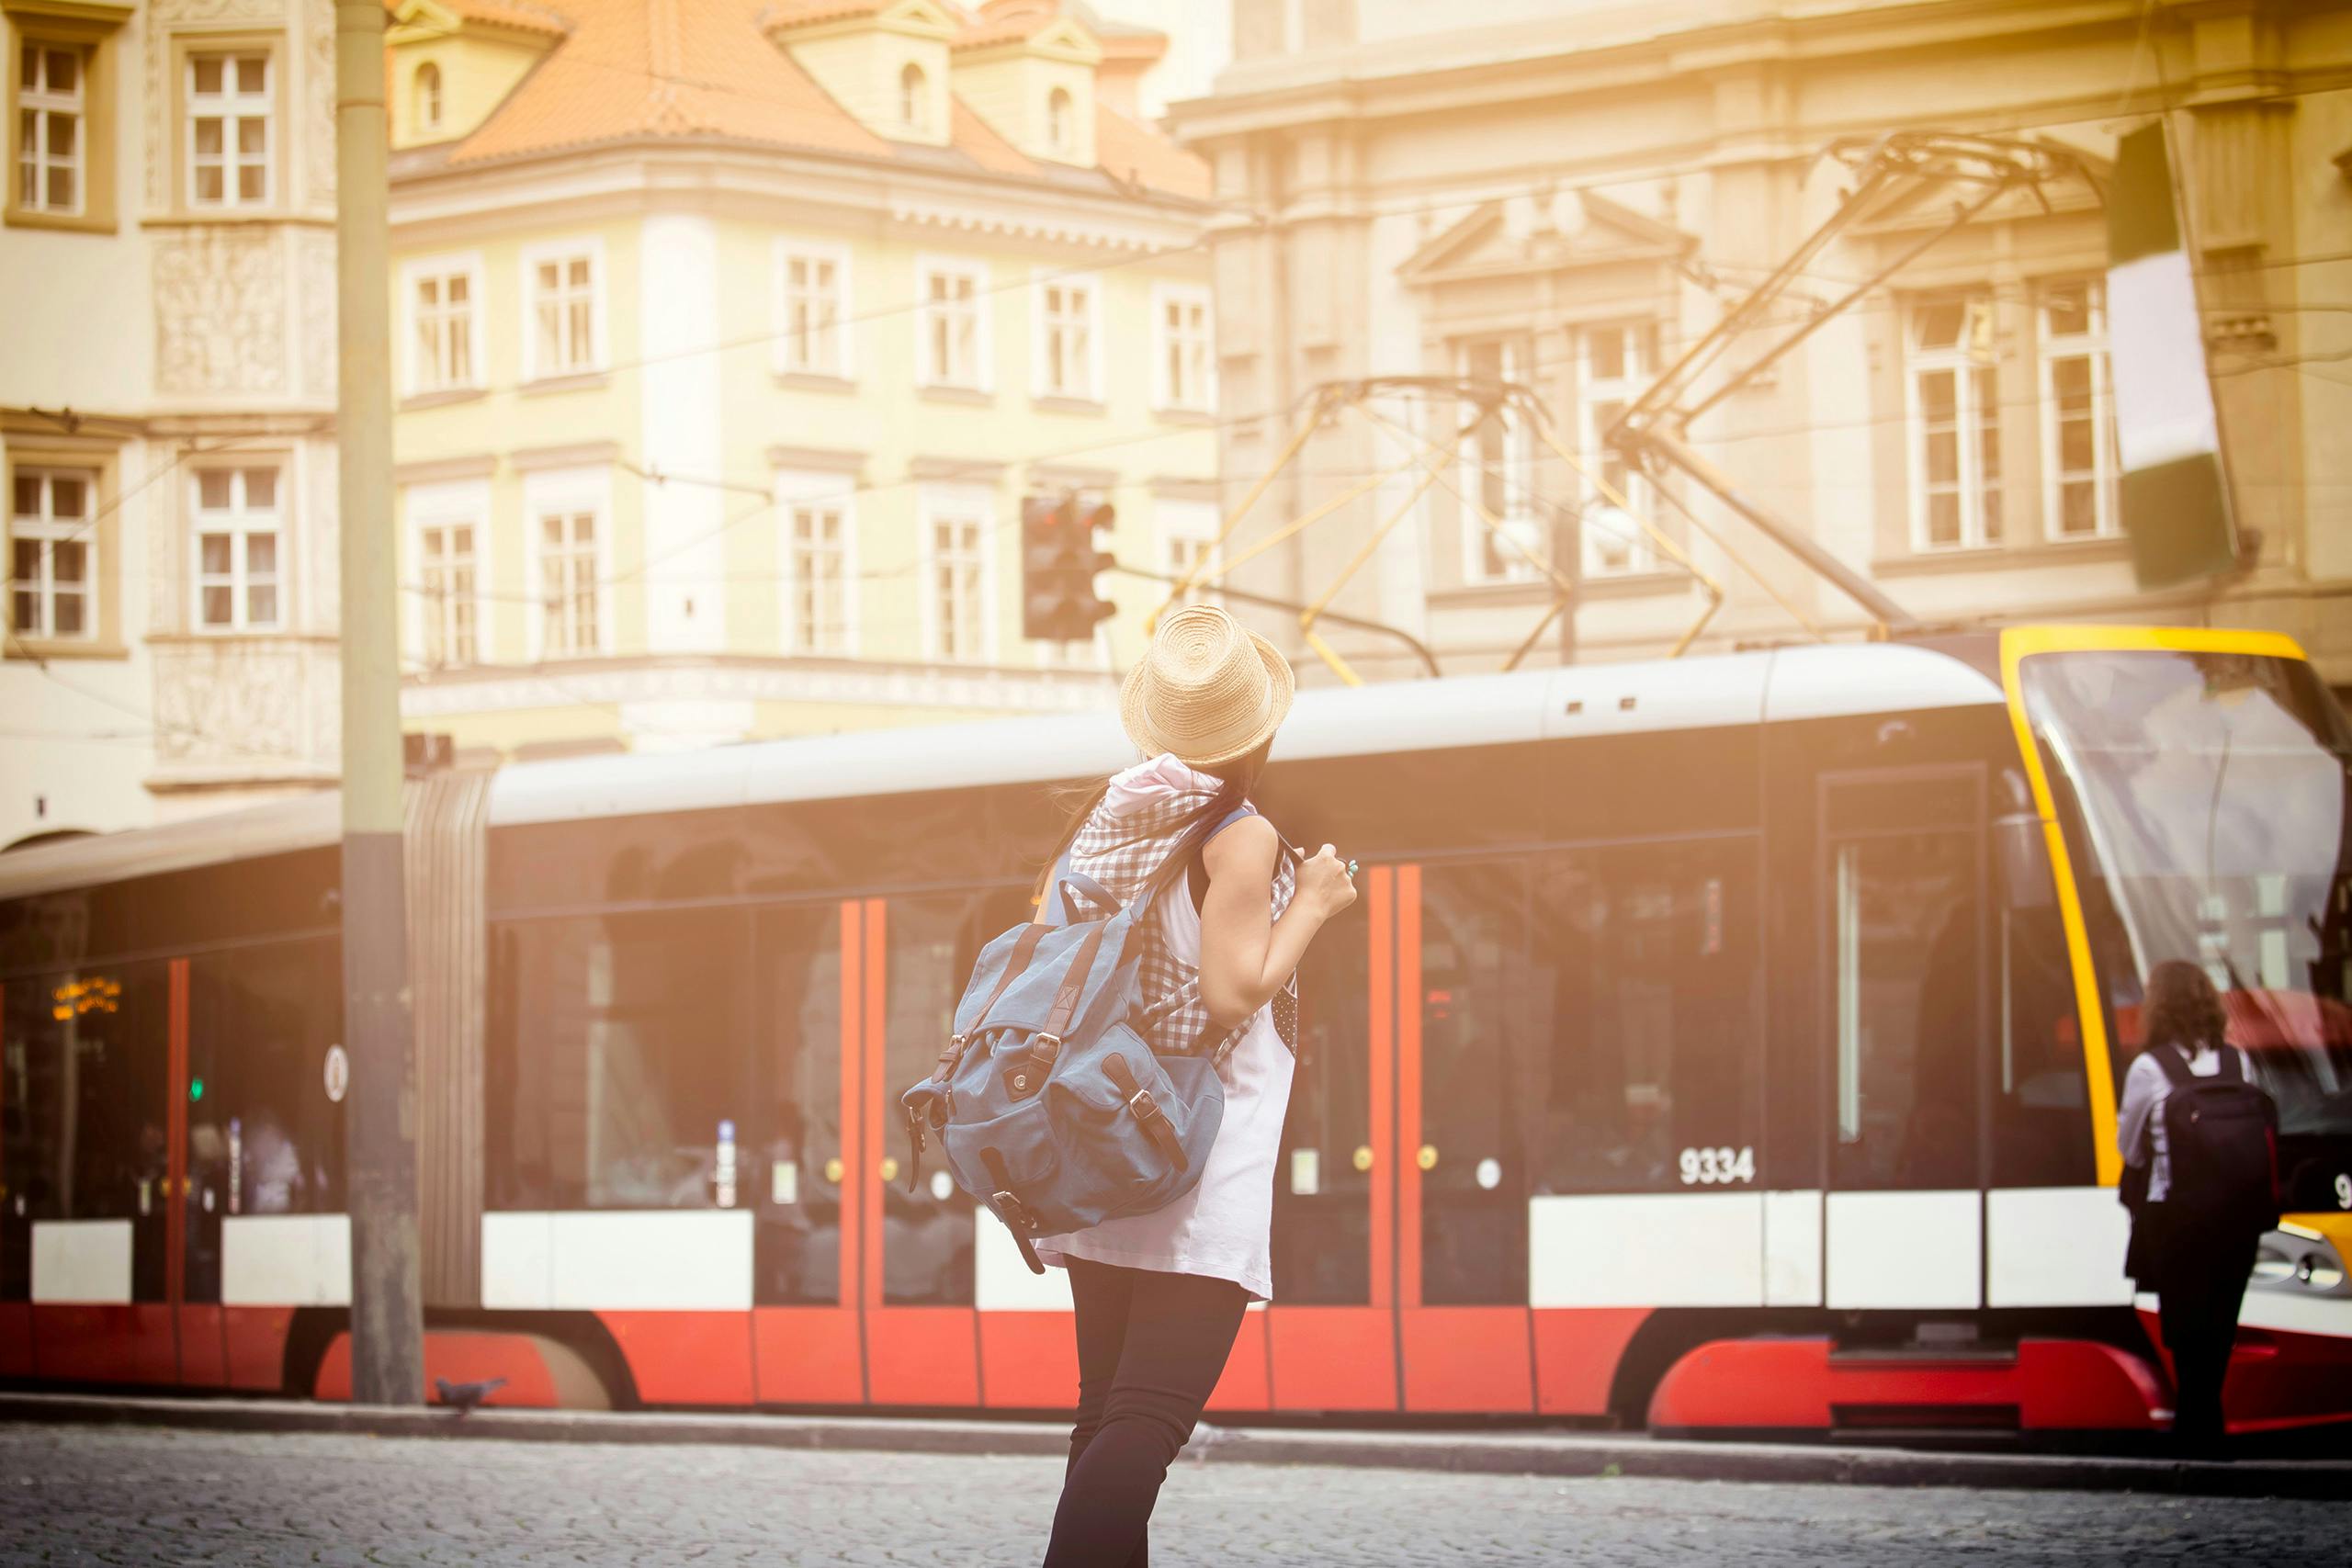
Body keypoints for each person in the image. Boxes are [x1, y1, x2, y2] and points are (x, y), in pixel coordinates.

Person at [1029, 605, 1356, 1567]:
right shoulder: (1240, 835)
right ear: (1260, 729)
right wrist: (1319, 903)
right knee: (1147, 1424)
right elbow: (1233, 990)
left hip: (1103, 1147)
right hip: (1195, 1154)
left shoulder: (1113, 822)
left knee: (1104, 1422)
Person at [2117, 959, 2259, 1455]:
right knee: (2221, 1323)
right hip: (2238, 1218)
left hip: (2175, 1217)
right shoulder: (2240, 1063)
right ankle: (2208, 1421)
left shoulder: (2149, 1068)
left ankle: (2193, 1427)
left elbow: (2130, 1150)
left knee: (2184, 1324)